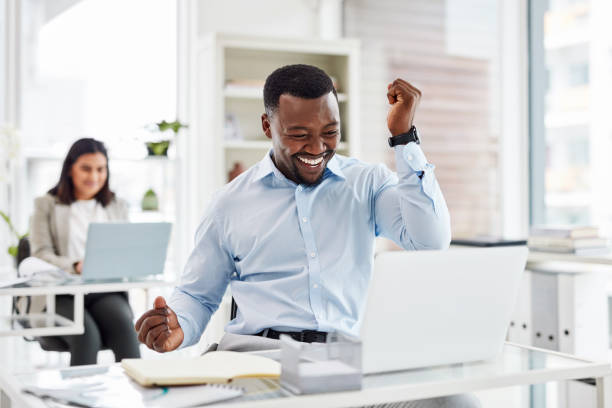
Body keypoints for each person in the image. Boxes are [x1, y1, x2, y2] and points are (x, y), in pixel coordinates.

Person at [136, 65, 478, 407]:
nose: (318, 148)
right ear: (268, 126)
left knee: (454, 402)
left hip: (348, 361)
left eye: (330, 132)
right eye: (299, 134)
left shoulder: (367, 183)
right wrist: (178, 326)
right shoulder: (229, 204)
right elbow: (197, 295)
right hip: (260, 363)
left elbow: (430, 241)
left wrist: (404, 138)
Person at [30, 138, 141, 366]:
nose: (94, 177)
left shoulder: (116, 205)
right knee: (86, 335)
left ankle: (139, 399)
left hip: (105, 290)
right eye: (86, 168)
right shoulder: (46, 205)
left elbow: (126, 249)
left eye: (100, 169)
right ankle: (79, 400)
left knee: (125, 329)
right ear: (70, 169)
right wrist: (75, 266)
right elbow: (40, 253)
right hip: (60, 293)